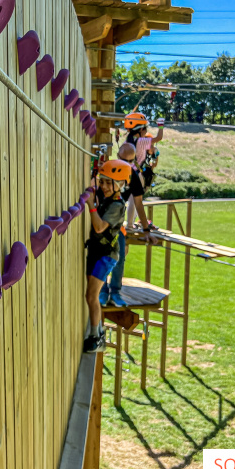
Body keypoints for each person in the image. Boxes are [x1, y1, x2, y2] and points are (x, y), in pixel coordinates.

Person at [99, 143, 158, 308]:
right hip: (101, 220)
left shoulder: (132, 175)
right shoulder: (106, 170)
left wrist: (146, 230)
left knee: (119, 257)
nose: (127, 164)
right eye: (124, 161)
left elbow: (138, 203)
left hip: (117, 223)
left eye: (130, 161)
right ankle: (102, 291)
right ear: (118, 156)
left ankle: (115, 292)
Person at [83, 159, 132, 354]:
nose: (103, 186)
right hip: (97, 252)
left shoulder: (117, 206)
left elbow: (99, 227)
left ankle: (96, 337)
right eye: (101, 181)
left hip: (106, 256)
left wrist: (90, 205)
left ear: (119, 185)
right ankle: (97, 334)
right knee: (91, 296)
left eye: (107, 182)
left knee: (91, 296)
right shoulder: (108, 200)